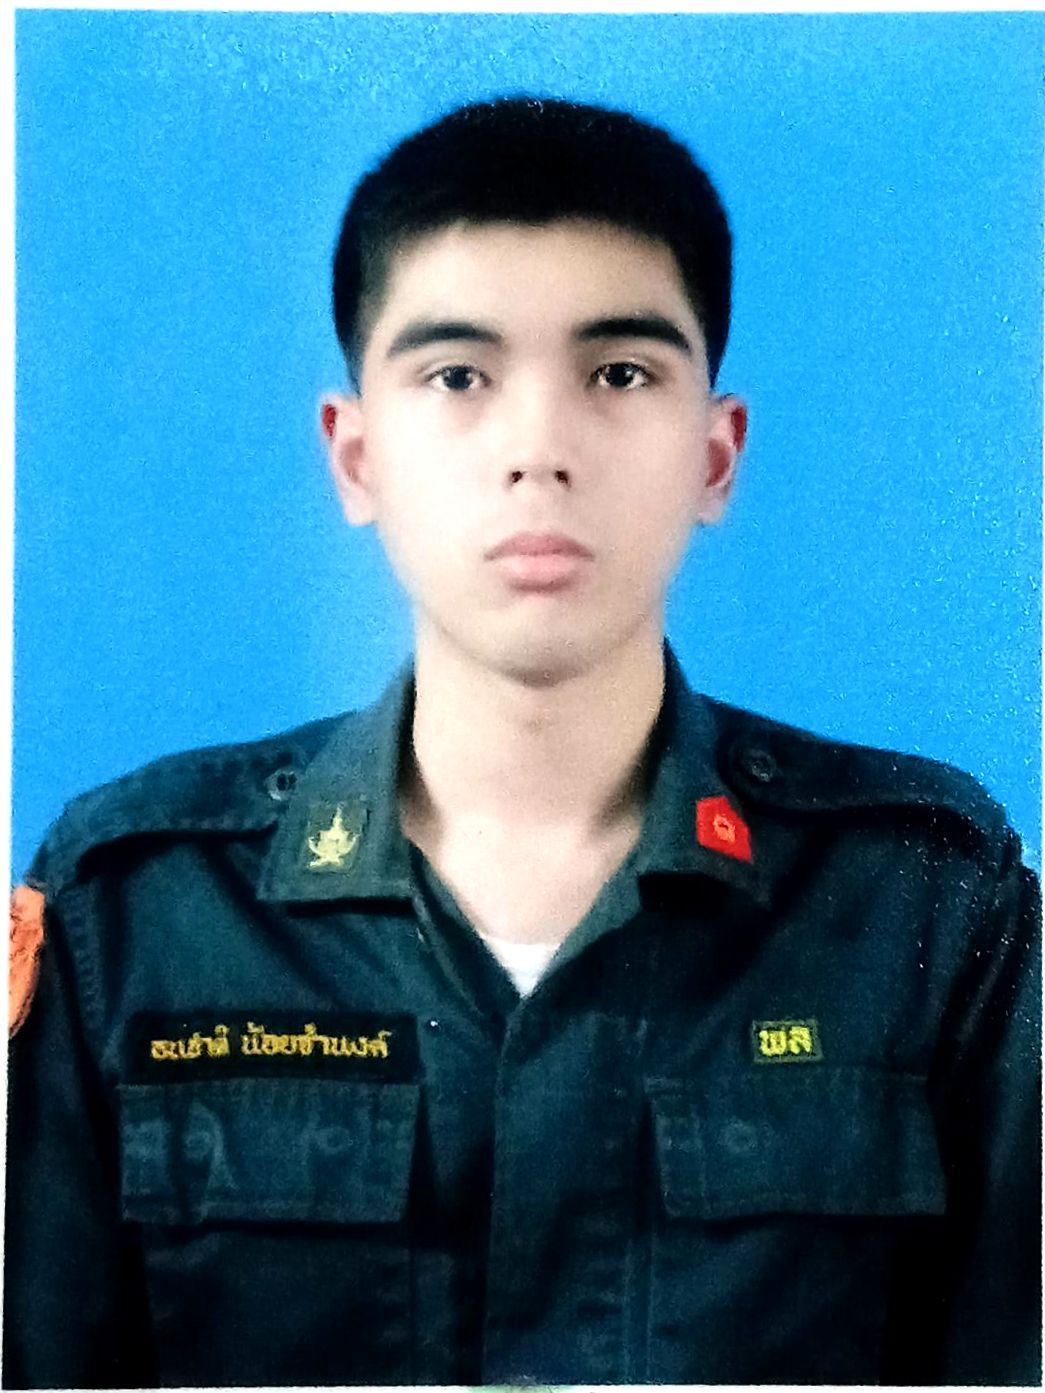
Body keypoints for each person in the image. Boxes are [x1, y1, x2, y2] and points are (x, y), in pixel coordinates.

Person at [5, 96, 1039, 1389]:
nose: (538, 450)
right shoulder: (133, 913)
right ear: (356, 456)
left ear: (715, 456)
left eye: (619, 374)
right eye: (458, 376)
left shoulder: (927, 908)